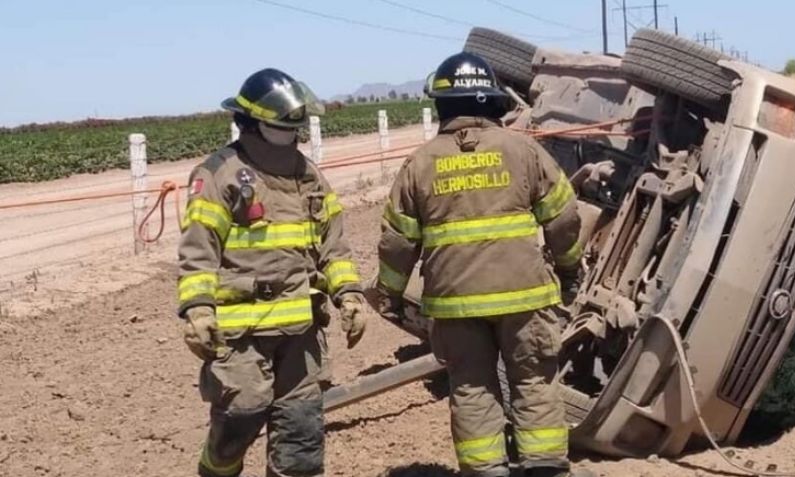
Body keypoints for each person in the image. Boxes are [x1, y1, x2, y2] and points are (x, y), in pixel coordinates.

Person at [376, 52, 592, 477]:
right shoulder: (523, 151)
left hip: (456, 307)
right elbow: (565, 219)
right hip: (525, 299)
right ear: (492, 100)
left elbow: (397, 241)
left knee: (472, 389)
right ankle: (545, 468)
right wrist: (569, 271)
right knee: (533, 383)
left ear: (441, 106)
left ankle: (485, 470)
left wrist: (390, 294)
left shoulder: (419, 164)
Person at [177, 68, 366, 477]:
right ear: (254, 123)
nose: (293, 135)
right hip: (242, 336)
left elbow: (334, 244)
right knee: (239, 418)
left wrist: (348, 293)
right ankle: (215, 469)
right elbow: (198, 250)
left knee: (301, 433)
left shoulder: (309, 176)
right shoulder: (219, 174)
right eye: (286, 126)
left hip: (301, 334)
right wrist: (197, 309)